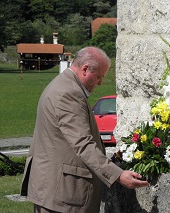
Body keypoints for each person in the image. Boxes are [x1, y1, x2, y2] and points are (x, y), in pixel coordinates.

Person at [21, 46, 149, 213]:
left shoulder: (62, 84)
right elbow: (83, 144)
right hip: (62, 195)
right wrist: (117, 175)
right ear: (85, 69)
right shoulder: (69, 93)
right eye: (99, 77)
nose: (100, 82)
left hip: (53, 190)